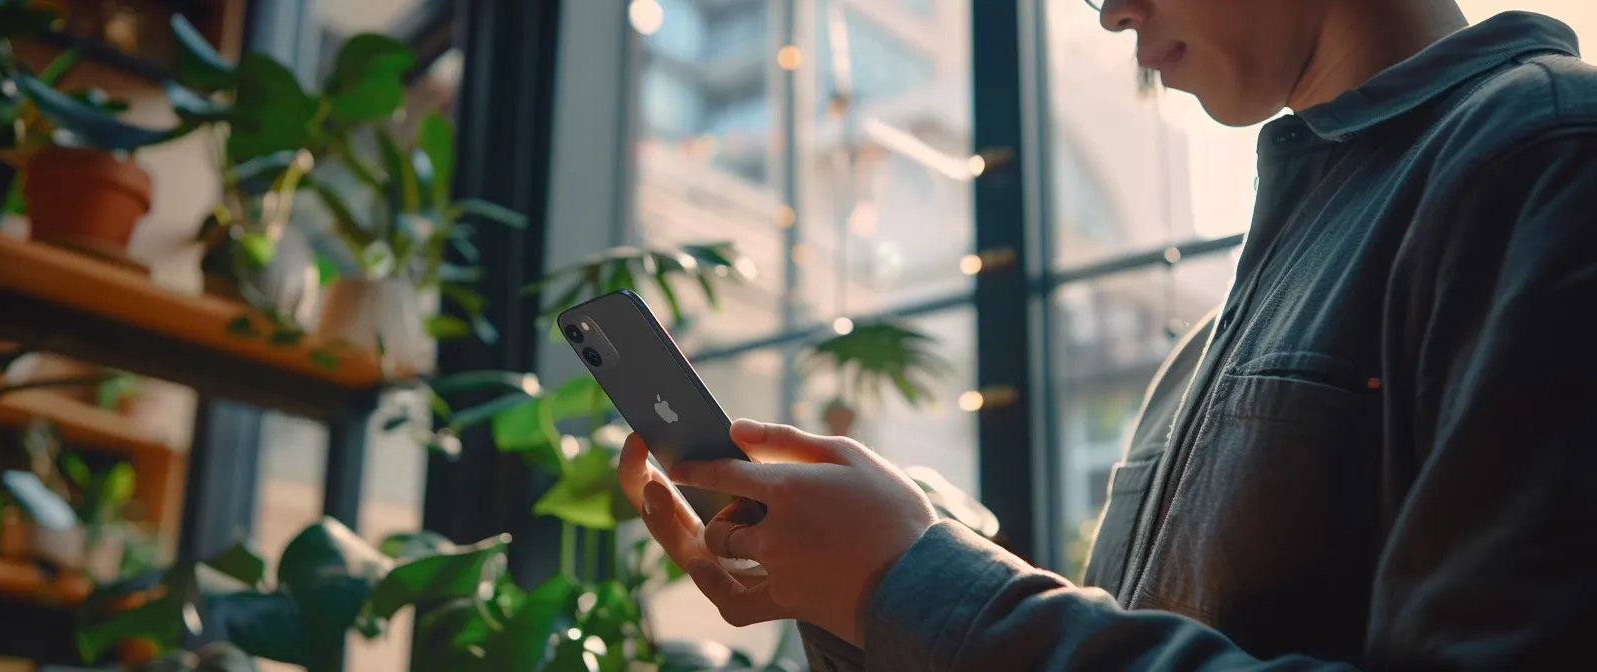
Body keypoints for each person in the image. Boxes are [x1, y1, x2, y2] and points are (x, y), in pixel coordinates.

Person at [619, 0, 1597, 669]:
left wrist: (915, 580)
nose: (1105, 10)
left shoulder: (1546, 156)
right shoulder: (1200, 356)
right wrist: (864, 590)